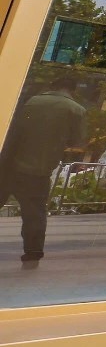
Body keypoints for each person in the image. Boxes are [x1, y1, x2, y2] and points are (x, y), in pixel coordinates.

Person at [0, 76, 87, 266]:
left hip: (8, 166)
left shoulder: (33, 101)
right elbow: (77, 142)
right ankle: (33, 251)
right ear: (73, 90)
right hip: (38, 171)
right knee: (34, 213)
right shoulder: (76, 110)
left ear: (52, 85)